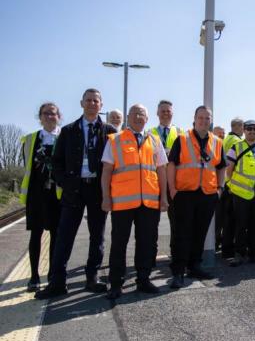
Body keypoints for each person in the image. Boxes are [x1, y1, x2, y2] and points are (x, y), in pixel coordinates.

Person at [36, 88, 116, 299]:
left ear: (101, 104)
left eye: (95, 101)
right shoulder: (69, 130)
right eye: (88, 100)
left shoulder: (110, 131)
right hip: (74, 189)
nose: (91, 104)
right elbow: (56, 162)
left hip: (97, 189)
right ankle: (57, 282)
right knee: (64, 236)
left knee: (97, 235)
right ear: (82, 103)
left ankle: (93, 278)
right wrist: (65, 182)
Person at [101, 104, 169, 299]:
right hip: (122, 203)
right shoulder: (115, 140)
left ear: (147, 119)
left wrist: (163, 198)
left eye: (142, 114)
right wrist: (105, 197)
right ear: (128, 117)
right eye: (135, 113)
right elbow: (106, 171)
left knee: (146, 243)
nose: (139, 117)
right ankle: (115, 283)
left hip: (149, 203)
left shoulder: (155, 141)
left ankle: (143, 279)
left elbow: (162, 170)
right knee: (119, 243)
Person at [167, 106, 225, 288]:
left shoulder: (217, 142)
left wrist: (220, 189)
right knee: (181, 234)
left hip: (207, 194)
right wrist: (172, 190)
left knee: (200, 233)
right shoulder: (182, 139)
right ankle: (178, 271)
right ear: (194, 118)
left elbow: (221, 166)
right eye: (201, 118)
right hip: (184, 194)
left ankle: (195, 266)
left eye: (207, 118)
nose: (204, 121)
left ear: (211, 120)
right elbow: (171, 165)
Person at [21, 102, 63, 292]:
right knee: (36, 234)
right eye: (45, 114)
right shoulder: (31, 139)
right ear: (40, 117)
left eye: (53, 114)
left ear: (58, 117)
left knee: (56, 235)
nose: (49, 117)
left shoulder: (64, 137)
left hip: (57, 194)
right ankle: (34, 276)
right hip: (36, 194)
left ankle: (52, 274)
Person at [226, 120, 255, 266]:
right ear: (244, 130)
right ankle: (239, 254)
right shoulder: (236, 147)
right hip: (240, 194)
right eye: (249, 129)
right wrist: (230, 185)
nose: (252, 131)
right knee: (241, 225)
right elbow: (228, 169)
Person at [149, 100, 182, 266]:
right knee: (151, 223)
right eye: (162, 111)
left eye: (168, 111)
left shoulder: (180, 133)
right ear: (157, 113)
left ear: (172, 113)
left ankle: (175, 254)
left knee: (176, 221)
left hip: (174, 183)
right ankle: (150, 255)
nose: (165, 114)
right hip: (154, 182)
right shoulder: (150, 133)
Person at [220, 117, 243, 259]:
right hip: (233, 185)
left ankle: (225, 248)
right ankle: (229, 249)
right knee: (232, 220)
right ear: (239, 127)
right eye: (243, 127)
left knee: (227, 219)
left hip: (225, 183)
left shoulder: (226, 139)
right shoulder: (237, 141)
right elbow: (232, 165)